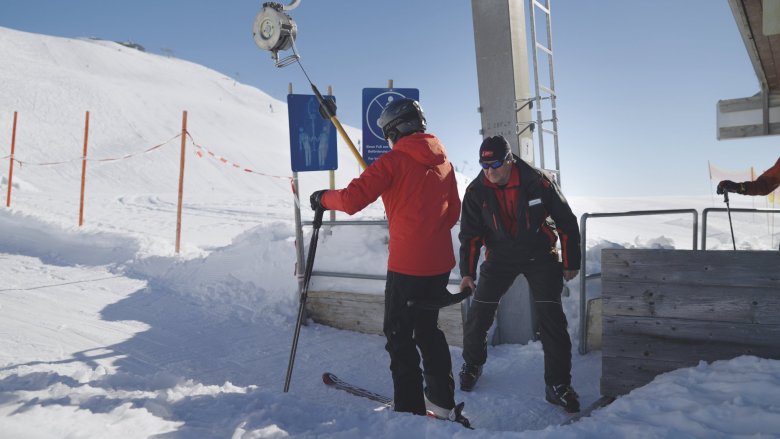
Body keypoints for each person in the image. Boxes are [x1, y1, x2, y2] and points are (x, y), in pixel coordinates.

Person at [309, 98, 469, 426]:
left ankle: (409, 412)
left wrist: (322, 197)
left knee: (399, 336)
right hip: (439, 265)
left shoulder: (392, 162)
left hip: (407, 267)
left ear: (395, 131)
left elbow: (352, 201)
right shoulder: (444, 163)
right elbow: (453, 212)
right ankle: (441, 402)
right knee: (427, 329)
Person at [457, 135, 582, 413]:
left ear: (510, 160)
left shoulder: (538, 181)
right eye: (484, 164)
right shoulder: (476, 191)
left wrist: (571, 260)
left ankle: (558, 385)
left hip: (539, 252)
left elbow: (566, 220)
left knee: (551, 318)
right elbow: (470, 236)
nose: (490, 170)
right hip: (500, 255)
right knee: (479, 313)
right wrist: (467, 273)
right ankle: (473, 364)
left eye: (496, 163)